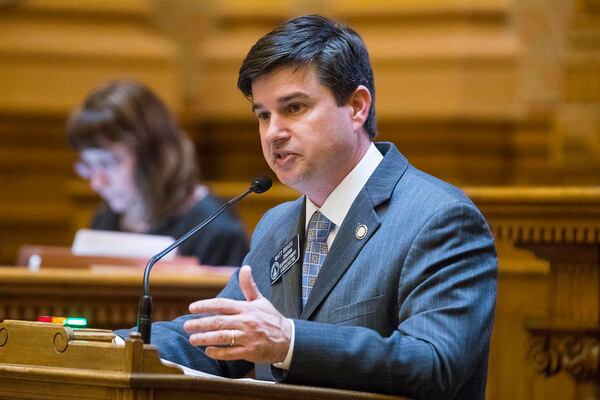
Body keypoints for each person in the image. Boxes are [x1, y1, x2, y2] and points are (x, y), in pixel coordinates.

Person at [116, 15, 497, 400]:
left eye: (294, 108)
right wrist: (98, 345)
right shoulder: (277, 224)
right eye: (263, 115)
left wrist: (290, 343)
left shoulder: (439, 218)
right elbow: (216, 337)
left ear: (357, 106)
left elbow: (435, 363)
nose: (273, 132)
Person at [66, 79, 249, 266]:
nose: (97, 182)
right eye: (89, 165)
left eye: (109, 162)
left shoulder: (217, 231)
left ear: (153, 155)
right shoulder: (105, 221)